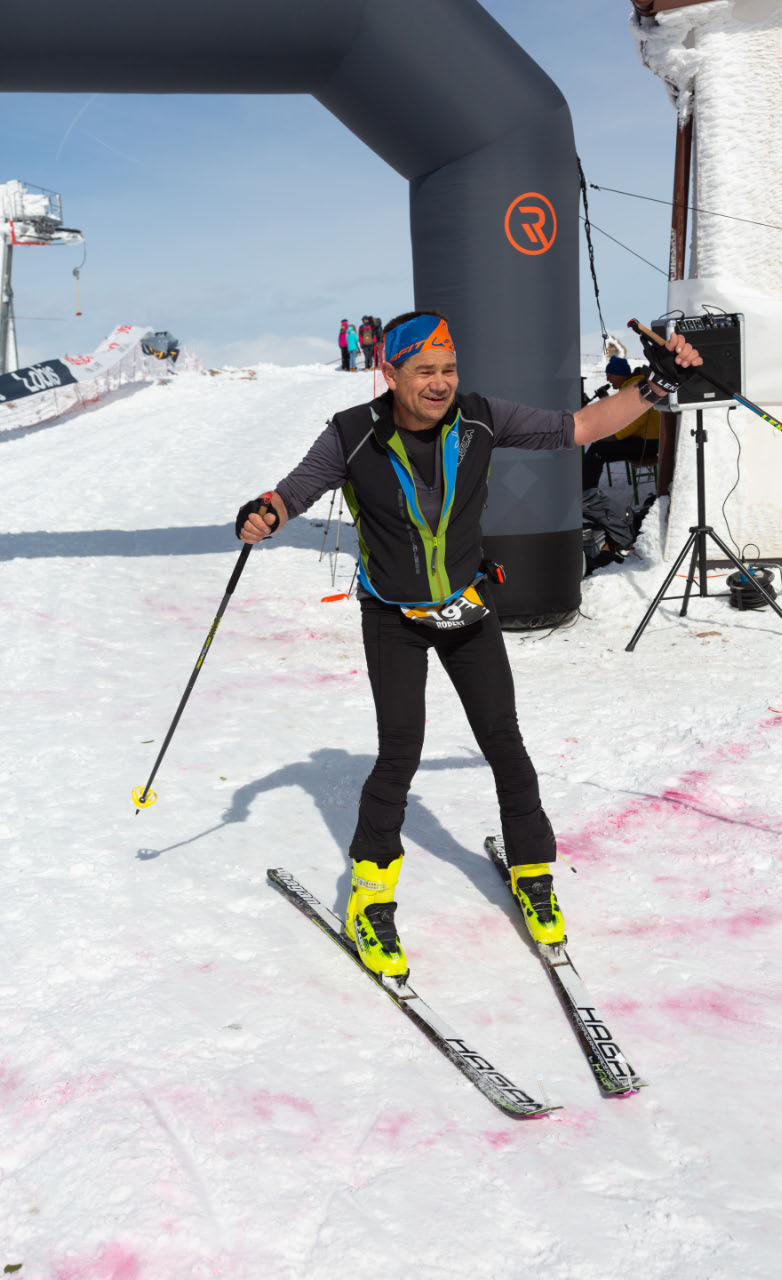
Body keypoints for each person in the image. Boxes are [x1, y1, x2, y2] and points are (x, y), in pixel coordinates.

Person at [237, 311, 701, 980]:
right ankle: (370, 896)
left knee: (503, 741)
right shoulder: (351, 433)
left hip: (464, 606)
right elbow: (292, 494)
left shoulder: (480, 418)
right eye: (424, 371)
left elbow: (578, 427)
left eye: (449, 369)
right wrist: (264, 515)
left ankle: (533, 872)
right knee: (400, 752)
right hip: (392, 615)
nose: (440, 383)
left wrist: (654, 386)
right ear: (389, 372)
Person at [581, 355, 661, 490]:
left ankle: (586, 493)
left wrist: (615, 436)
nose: (608, 379)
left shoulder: (634, 388)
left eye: (610, 375)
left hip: (649, 443)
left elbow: (636, 420)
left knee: (597, 451)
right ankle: (587, 490)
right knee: (598, 446)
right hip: (645, 439)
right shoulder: (632, 386)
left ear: (619, 374)